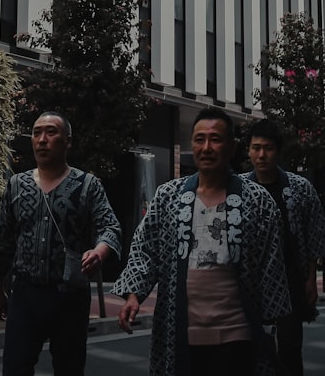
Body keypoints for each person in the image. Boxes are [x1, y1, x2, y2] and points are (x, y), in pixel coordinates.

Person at [113, 107, 291, 376]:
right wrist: (133, 295)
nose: (207, 147)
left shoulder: (258, 200)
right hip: (180, 329)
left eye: (216, 139)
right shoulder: (168, 196)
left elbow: (271, 266)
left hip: (237, 333)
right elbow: (145, 249)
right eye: (199, 139)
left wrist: (271, 324)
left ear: (231, 146)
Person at [0, 112, 122, 375]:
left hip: (69, 297)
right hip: (25, 295)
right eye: (36, 133)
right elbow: (2, 239)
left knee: (69, 369)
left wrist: (100, 251)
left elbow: (110, 226)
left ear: (67, 141)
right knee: (15, 368)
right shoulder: (16, 185)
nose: (42, 140)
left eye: (51, 132)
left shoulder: (87, 185)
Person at [241, 119, 325, 376]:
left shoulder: (299, 188)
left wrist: (311, 278)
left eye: (267, 148)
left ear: (278, 151)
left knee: (290, 350)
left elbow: (315, 234)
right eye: (256, 147)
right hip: (250, 284)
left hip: (290, 281)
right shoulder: (239, 189)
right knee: (250, 349)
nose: (261, 155)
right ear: (248, 150)